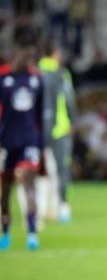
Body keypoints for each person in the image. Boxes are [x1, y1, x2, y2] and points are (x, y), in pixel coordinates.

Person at [0, 29, 45, 251]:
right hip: (6, 143)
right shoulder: (3, 78)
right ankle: (6, 231)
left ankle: (32, 233)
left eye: (31, 55)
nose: (28, 59)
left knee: (27, 182)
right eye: (25, 54)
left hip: (29, 141)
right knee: (5, 190)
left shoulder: (37, 79)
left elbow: (39, 115)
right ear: (14, 54)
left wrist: (41, 144)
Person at [38, 39, 77, 224]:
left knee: (41, 170)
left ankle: (42, 208)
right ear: (54, 53)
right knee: (61, 169)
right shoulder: (62, 74)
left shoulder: (35, 72)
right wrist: (72, 120)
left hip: (37, 129)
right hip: (60, 129)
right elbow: (69, 99)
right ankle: (62, 207)